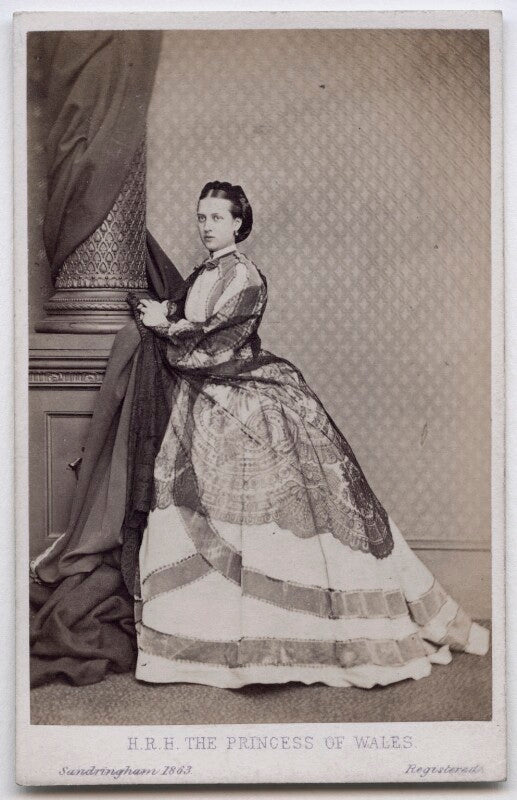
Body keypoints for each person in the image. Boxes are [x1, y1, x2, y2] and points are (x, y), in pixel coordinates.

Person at [130, 180, 489, 689]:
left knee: (271, 513)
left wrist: (165, 327)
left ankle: (284, 638)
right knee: (194, 503)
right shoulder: (204, 274)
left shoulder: (247, 276)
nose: (207, 226)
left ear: (238, 223)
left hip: (244, 392)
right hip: (203, 398)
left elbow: (217, 340)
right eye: (202, 217)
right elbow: (192, 314)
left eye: (217, 218)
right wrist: (166, 313)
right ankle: (201, 638)